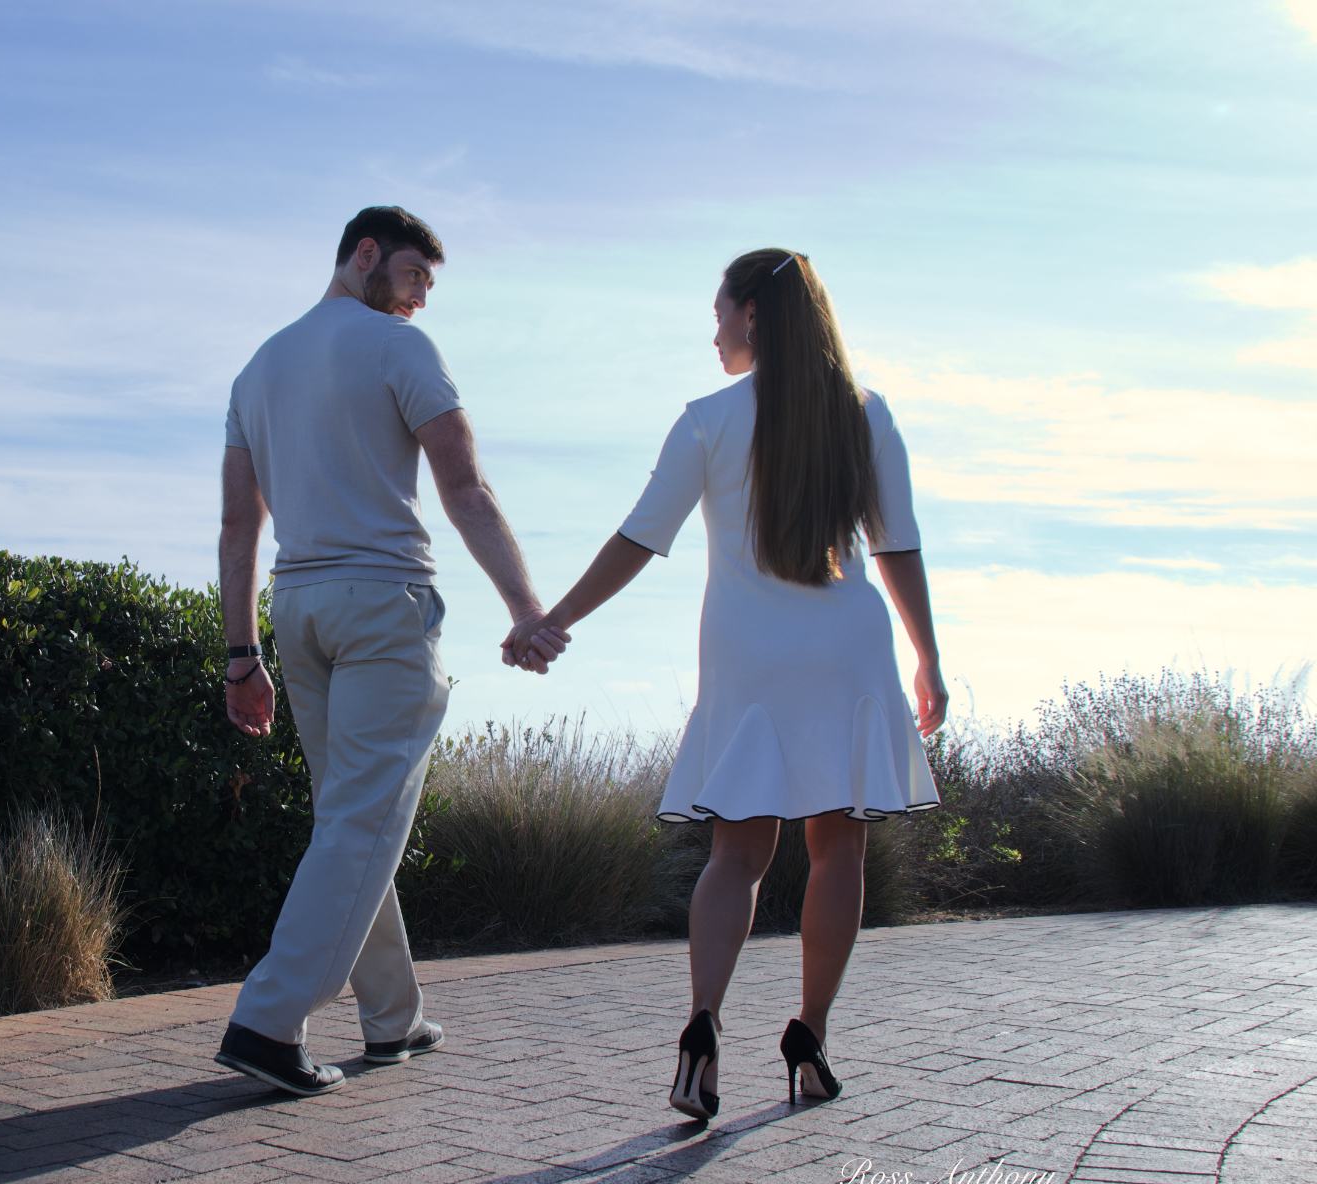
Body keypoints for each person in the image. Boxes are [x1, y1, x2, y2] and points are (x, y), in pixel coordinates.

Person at [529, 248, 947, 1120]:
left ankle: (701, 1032)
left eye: (719, 309)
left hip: (748, 660)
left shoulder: (706, 420)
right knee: (839, 850)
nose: (712, 326)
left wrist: (557, 617)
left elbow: (639, 539)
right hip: (846, 653)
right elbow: (896, 545)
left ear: (752, 313)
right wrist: (928, 659)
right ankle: (809, 1039)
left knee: (737, 855)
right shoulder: (864, 414)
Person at [215, 206, 563, 1097]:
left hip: (297, 609)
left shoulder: (256, 370)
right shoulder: (399, 351)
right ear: (363, 253)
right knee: (362, 821)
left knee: (349, 816)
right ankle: (267, 1018)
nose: (418, 300)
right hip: (382, 606)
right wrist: (527, 608)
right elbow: (466, 487)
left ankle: (392, 1016)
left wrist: (240, 655)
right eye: (412, 276)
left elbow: (236, 527)